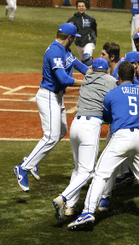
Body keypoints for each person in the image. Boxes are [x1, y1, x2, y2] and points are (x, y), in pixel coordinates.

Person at [67, 61, 139, 231]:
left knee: (100, 175)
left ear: (118, 76)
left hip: (121, 137)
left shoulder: (112, 94)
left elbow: (107, 117)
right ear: (134, 76)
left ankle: (88, 212)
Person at [14, 23, 90, 193]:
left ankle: (31, 161)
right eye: (73, 38)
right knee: (51, 136)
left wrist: (96, 74)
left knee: (61, 131)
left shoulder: (65, 50)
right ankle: (23, 168)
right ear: (69, 38)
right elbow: (63, 79)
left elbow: (79, 65)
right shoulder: (55, 51)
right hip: (48, 96)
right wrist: (86, 81)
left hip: (57, 97)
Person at [52, 58, 117, 220]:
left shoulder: (87, 77)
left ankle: (71, 207)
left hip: (76, 125)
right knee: (87, 171)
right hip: (90, 127)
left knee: (78, 169)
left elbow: (82, 67)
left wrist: (72, 58)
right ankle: (63, 197)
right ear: (106, 70)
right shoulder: (111, 80)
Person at [67, 0, 98, 66]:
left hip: (89, 41)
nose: (81, 8)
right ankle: (88, 73)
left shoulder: (91, 18)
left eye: (83, 6)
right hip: (79, 43)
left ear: (85, 7)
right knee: (84, 62)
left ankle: (92, 72)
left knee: (86, 58)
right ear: (76, 8)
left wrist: (93, 37)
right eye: (79, 6)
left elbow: (94, 28)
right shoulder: (72, 20)